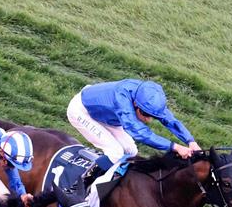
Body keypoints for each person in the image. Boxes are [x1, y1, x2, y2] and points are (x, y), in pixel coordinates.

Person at [66, 79, 200, 200]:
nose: (148, 119)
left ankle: (111, 178)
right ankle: (78, 187)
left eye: (152, 116)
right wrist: (175, 147)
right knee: (115, 151)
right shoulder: (122, 100)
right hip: (82, 111)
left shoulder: (147, 98)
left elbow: (170, 121)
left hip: (108, 116)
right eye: (145, 114)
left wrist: (190, 141)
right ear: (135, 103)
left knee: (131, 151)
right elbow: (140, 133)